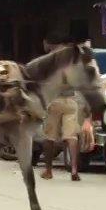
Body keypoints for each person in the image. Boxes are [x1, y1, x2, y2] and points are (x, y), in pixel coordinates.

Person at [40, 33, 82, 181]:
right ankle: (74, 170)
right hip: (71, 100)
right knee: (71, 136)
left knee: (49, 136)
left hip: (55, 100)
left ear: (47, 43)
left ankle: (48, 171)